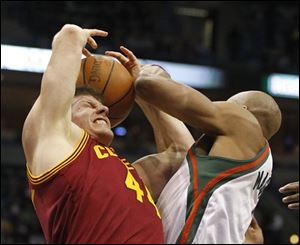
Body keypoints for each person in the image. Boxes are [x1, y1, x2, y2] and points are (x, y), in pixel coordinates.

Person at [21, 24, 176, 244]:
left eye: (103, 107)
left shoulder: (132, 175)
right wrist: (76, 37)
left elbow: (181, 154)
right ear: (64, 113)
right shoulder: (52, 140)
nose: (104, 109)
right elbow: (69, 34)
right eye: (87, 104)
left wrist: (143, 91)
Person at [106, 48, 276, 244]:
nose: (222, 105)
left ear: (242, 111)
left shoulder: (243, 122)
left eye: (229, 103)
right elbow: (178, 148)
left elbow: (149, 85)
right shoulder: (241, 171)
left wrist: (153, 72)